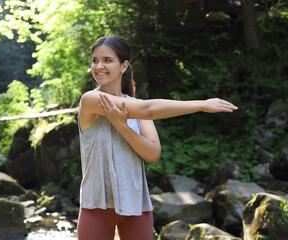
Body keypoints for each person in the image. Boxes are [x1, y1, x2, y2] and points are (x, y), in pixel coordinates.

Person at [77, 34, 237, 240]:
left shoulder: (134, 107)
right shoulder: (91, 100)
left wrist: (122, 126)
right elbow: (147, 109)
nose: (99, 66)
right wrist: (202, 104)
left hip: (136, 206)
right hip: (96, 207)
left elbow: (152, 154)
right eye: (95, 60)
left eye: (107, 60)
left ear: (123, 66)